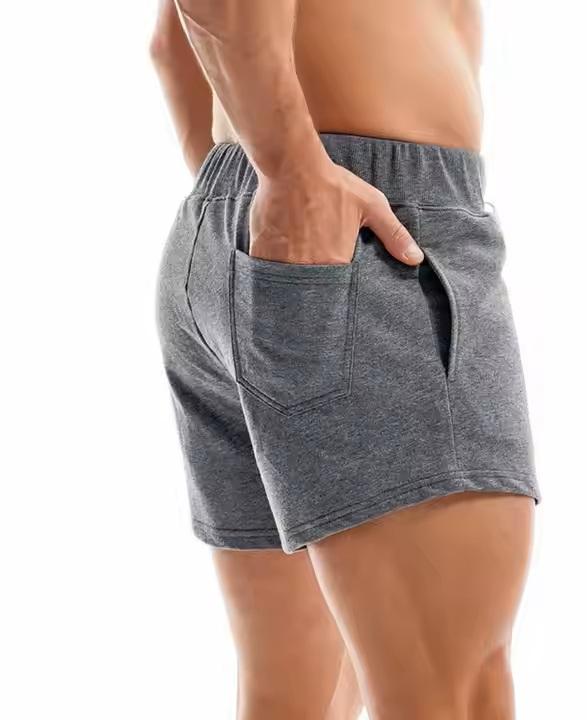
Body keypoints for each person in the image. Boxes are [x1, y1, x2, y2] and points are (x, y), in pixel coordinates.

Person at [151, 1, 539, 717]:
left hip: (261, 220)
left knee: (296, 695)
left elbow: (171, 44)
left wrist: (252, 204)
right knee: (455, 695)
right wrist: (292, 175)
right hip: (375, 236)